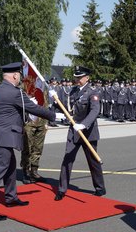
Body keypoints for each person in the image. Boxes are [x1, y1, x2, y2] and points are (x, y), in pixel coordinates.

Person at [0, 62, 56, 221]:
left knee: (11, 167)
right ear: (15, 75)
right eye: (19, 75)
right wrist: (53, 115)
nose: (20, 77)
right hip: (4, 136)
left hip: (0, 135)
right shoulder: (15, 93)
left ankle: (11, 198)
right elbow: (33, 108)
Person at [54, 65, 106, 201]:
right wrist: (54, 102)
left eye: (80, 77)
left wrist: (83, 124)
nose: (77, 79)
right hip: (73, 130)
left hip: (88, 131)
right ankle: (61, 189)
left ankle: (100, 187)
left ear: (87, 78)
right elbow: (68, 109)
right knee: (67, 159)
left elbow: (95, 111)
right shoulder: (73, 91)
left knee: (93, 161)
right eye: (76, 77)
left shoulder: (93, 92)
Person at [20, 89, 50, 184]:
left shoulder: (42, 89)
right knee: (27, 148)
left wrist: (46, 122)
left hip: (41, 122)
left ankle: (34, 171)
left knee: (38, 148)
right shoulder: (23, 90)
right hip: (28, 122)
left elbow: (46, 106)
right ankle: (26, 171)